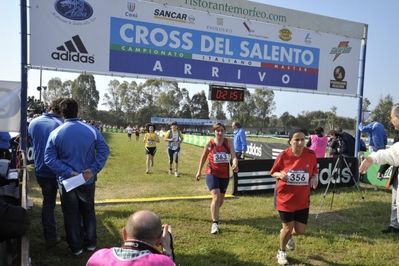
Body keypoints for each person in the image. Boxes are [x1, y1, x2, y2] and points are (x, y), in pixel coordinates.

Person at [44, 98, 110, 256]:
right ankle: (91, 243)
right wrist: (92, 170)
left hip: (68, 180)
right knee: (88, 211)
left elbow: (49, 159)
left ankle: (76, 247)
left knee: (71, 214)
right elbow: (104, 151)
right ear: (78, 111)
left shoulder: (56, 133)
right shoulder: (91, 130)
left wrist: (68, 172)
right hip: (86, 179)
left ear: (61, 113)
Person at [270, 127, 318, 265]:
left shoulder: (311, 154)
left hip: (302, 199)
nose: (300, 142)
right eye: (296, 140)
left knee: (301, 230)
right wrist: (280, 175)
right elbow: (273, 172)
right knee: (287, 227)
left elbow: (314, 171)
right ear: (290, 141)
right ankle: (281, 251)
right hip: (285, 198)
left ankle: (287, 234)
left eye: (303, 139)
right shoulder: (283, 156)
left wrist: (314, 178)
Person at [28, 98, 64, 249]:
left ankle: (50, 237)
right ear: (61, 111)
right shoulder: (62, 124)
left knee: (48, 203)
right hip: (59, 170)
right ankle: (75, 236)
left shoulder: (34, 123)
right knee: (69, 205)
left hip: (41, 170)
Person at [359, 104, 399, 234]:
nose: (390, 119)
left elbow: (363, 129)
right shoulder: (382, 126)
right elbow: (393, 153)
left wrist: (359, 124)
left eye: (392, 116)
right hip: (381, 150)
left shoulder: (374, 125)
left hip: (376, 148)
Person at [86, 210, 175, 266]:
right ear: (159, 240)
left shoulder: (98, 257)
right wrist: (168, 251)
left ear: (124, 234)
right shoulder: (162, 262)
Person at [196, 122, 238, 234]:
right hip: (211, 172)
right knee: (215, 197)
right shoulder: (210, 144)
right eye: (217, 130)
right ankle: (215, 224)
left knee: (220, 200)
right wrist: (199, 171)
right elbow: (203, 157)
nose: (220, 133)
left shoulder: (228, 142)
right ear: (214, 132)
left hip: (224, 174)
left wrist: (235, 164)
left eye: (222, 130)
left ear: (224, 131)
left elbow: (233, 156)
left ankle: (215, 211)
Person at [377, 130, 399, 234]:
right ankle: (394, 225)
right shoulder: (397, 136)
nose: (390, 120)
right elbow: (391, 155)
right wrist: (382, 169)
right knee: (395, 201)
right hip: (397, 174)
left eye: (392, 117)